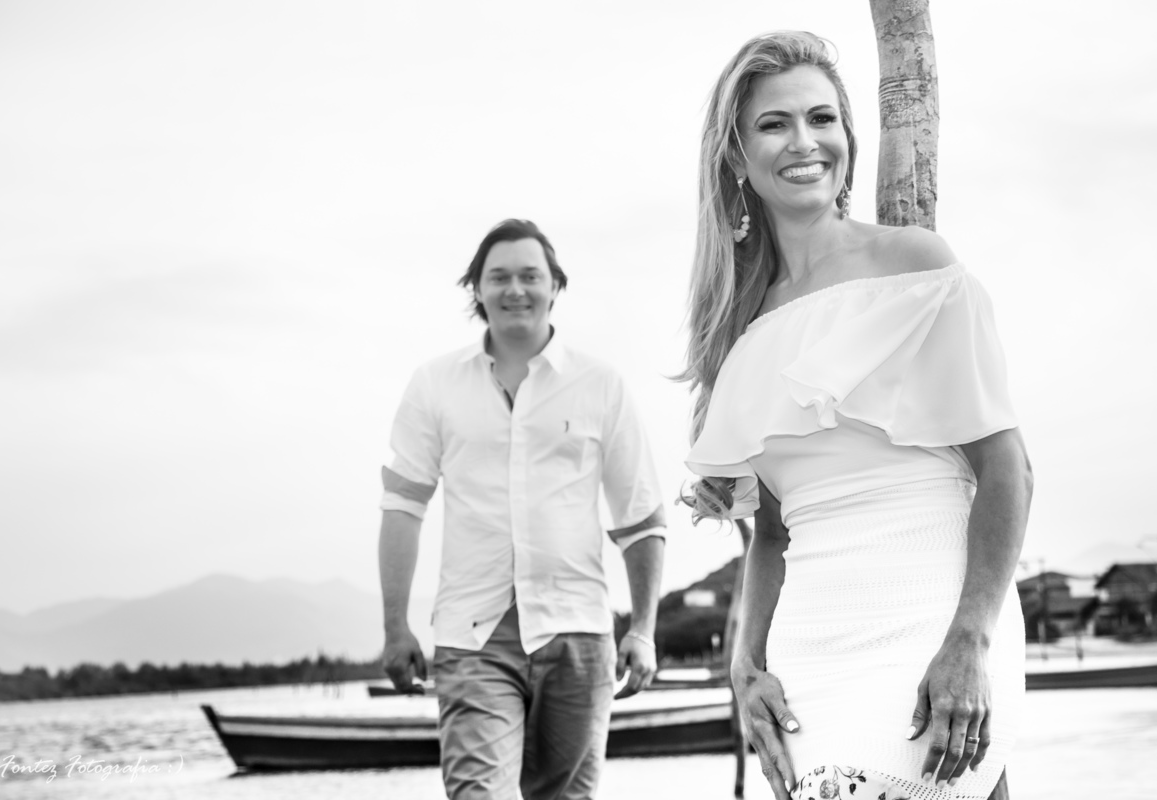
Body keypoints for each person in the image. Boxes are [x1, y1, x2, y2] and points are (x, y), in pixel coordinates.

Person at [681, 32, 1031, 800]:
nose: (805, 142)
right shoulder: (738, 330)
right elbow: (773, 533)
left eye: (821, 118)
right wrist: (745, 666)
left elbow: (1009, 471)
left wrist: (972, 640)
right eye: (774, 124)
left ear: (847, 133)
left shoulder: (918, 265)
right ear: (736, 155)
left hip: (934, 623)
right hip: (811, 657)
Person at [379, 218, 667, 800]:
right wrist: (394, 627)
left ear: (554, 285)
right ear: (477, 289)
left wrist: (643, 629)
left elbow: (640, 519)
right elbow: (402, 507)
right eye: (499, 277)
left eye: (530, 275)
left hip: (578, 631)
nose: (516, 289)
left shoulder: (600, 384)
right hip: (472, 634)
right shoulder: (434, 384)